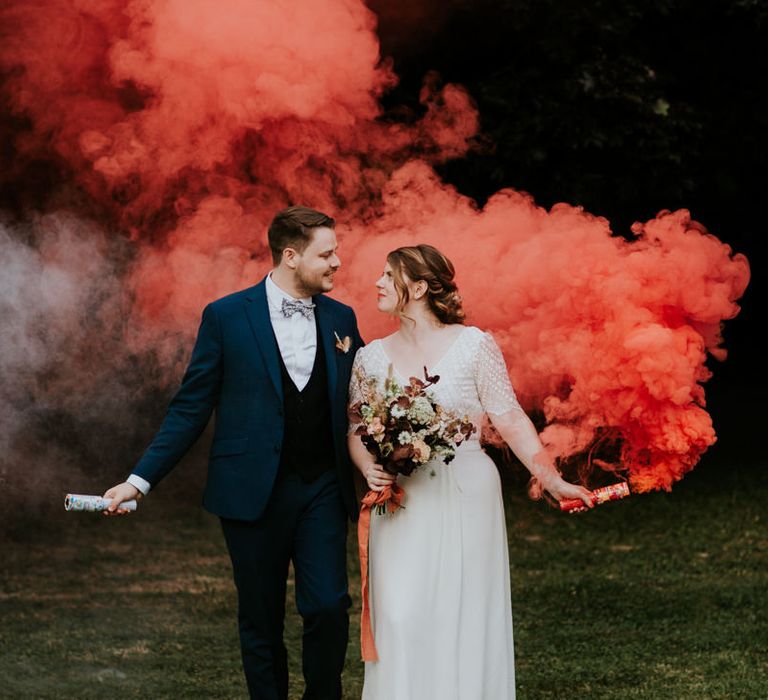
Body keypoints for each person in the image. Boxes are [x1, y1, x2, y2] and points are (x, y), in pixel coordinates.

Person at [102, 205, 365, 700]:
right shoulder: (225, 316)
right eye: (327, 253)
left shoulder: (342, 318)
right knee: (260, 617)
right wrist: (139, 480)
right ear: (290, 256)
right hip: (249, 492)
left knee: (329, 606)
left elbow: (363, 402)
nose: (337, 262)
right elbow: (190, 408)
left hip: (321, 489)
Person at [347, 244, 594, 700]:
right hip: (403, 498)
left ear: (418, 287)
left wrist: (552, 478)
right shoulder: (370, 357)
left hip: (466, 491)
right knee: (400, 612)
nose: (377, 283)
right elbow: (357, 427)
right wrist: (367, 466)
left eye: (388, 275)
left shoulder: (474, 345)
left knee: (462, 610)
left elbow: (511, 418)